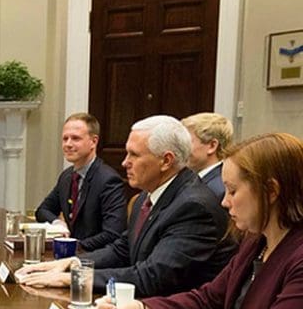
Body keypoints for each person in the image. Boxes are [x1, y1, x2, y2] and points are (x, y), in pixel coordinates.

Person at [95, 133, 303, 309]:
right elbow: (209, 297)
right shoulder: (256, 242)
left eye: (233, 191)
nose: (225, 202)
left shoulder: (297, 257)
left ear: (271, 191)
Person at [16, 115, 235, 296]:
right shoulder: (145, 196)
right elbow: (123, 249)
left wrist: (72, 278)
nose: (124, 162)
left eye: (134, 155)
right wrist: (71, 263)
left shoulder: (194, 207)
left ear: (166, 161)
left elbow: (153, 276)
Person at [35, 113, 126, 251]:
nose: (68, 144)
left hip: (95, 260)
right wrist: (58, 223)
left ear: (93, 142)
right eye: (65, 139)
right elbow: (43, 210)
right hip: (70, 255)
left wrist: (74, 246)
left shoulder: (108, 180)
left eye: (75, 138)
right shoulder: (66, 176)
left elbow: (112, 234)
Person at [182, 112, 233, 201]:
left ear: (212, 146)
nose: (182, 148)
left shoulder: (216, 190)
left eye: (187, 142)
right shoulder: (204, 181)